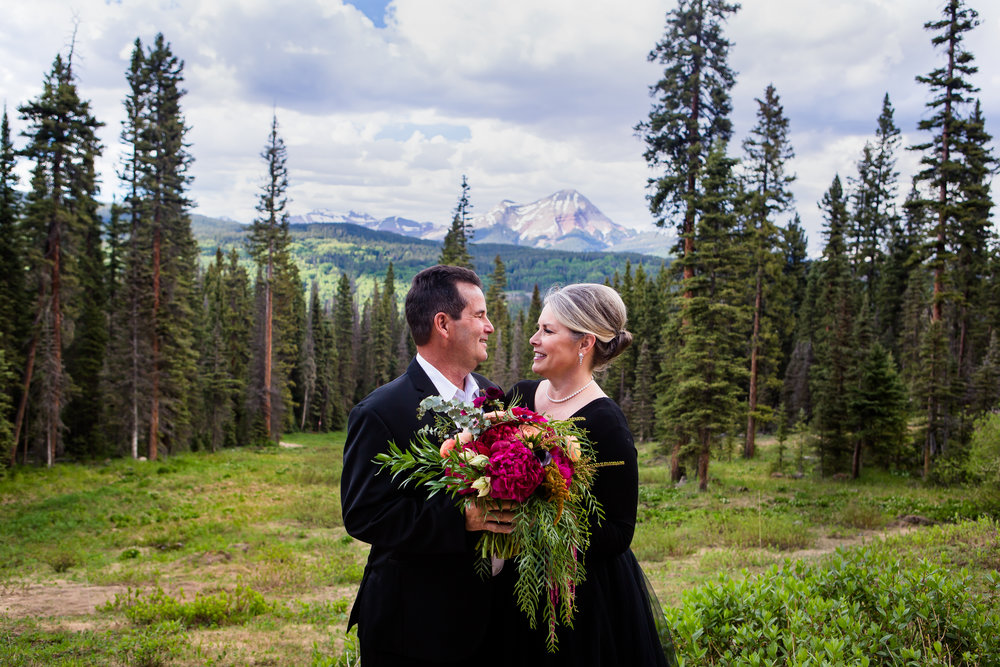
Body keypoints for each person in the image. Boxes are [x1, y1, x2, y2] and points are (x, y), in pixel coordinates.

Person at [341, 264, 517, 667]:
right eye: (480, 315)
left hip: (493, 621)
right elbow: (364, 515)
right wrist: (462, 518)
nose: (489, 327)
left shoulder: (493, 399)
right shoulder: (381, 411)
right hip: (415, 627)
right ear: (443, 323)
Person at [504, 283, 677, 666]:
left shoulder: (605, 423)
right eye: (538, 328)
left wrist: (538, 525)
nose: (534, 339)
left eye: (547, 331)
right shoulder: (519, 397)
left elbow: (618, 531)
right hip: (513, 584)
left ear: (585, 343)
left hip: (577, 597)